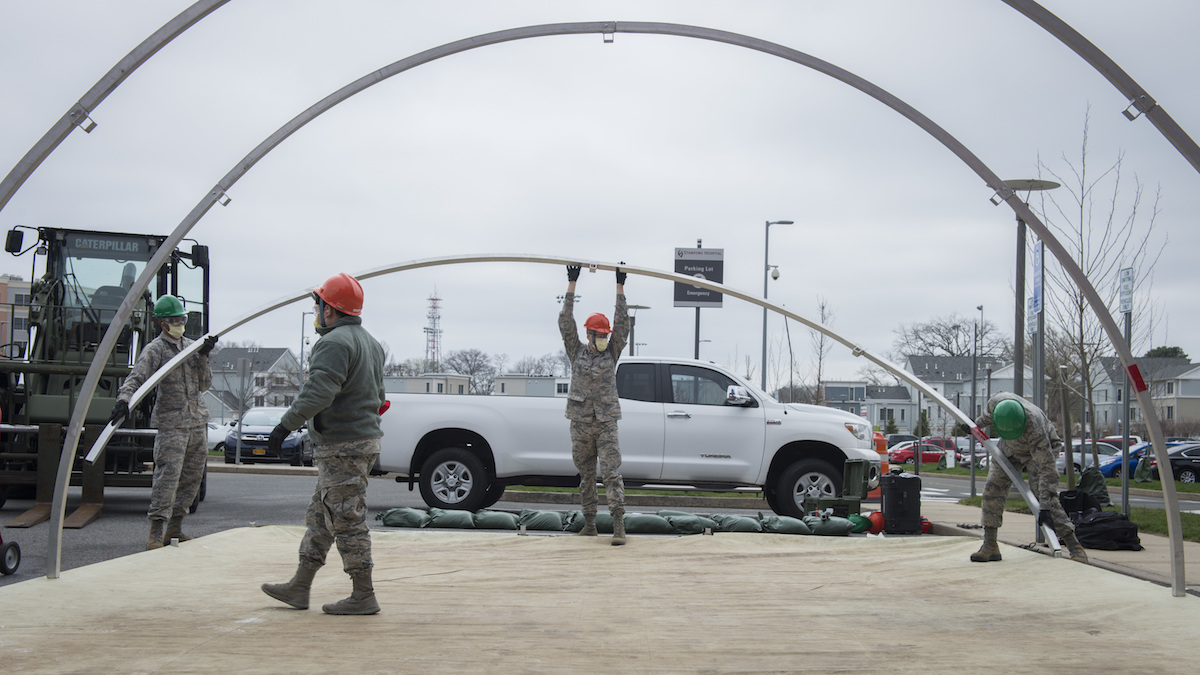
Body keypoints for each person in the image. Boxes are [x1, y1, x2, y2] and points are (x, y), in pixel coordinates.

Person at [261, 272, 386, 615]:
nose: (317, 311)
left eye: (319, 305)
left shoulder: (333, 343)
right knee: (321, 516)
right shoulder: (370, 342)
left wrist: (283, 427)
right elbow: (379, 396)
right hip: (357, 442)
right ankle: (300, 586)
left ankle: (364, 595)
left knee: (346, 519)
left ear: (329, 309)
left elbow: (318, 393)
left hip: (342, 446)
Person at [108, 295, 217, 550]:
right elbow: (136, 379)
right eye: (174, 320)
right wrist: (124, 400)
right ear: (162, 323)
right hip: (172, 424)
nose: (179, 323)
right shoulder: (155, 350)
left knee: (191, 478)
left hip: (195, 422)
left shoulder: (192, 346)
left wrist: (203, 357)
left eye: (182, 319)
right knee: (167, 478)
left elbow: (204, 385)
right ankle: (156, 531)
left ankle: (175, 528)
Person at [971, 392, 1088, 563]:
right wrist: (974, 426)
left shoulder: (1036, 428)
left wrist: (1045, 508)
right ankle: (990, 545)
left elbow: (1048, 471)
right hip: (1008, 446)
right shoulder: (995, 403)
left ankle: (1075, 547)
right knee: (992, 488)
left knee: (1043, 495)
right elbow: (986, 418)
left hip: (1036, 451)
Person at [559, 264, 630, 545]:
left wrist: (620, 286)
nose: (603, 339)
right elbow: (565, 321)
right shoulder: (575, 350)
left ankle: (618, 524)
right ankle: (589, 524)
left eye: (605, 335)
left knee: (611, 473)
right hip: (581, 423)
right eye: (599, 335)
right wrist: (572, 283)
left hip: (605, 423)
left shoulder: (612, 352)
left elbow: (622, 323)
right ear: (589, 335)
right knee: (586, 475)